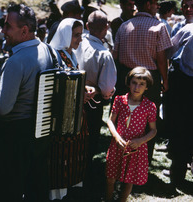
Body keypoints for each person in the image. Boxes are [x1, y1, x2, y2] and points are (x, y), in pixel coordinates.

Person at [0, 4, 61, 202]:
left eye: (7, 26)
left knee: (6, 192)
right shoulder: (50, 51)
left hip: (13, 138)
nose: (3, 31)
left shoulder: (16, 61)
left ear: (24, 30)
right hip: (41, 134)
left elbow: (3, 108)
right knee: (36, 189)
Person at [112, 0, 172, 163]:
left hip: (127, 79)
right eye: (155, 3)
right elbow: (161, 59)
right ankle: (141, 164)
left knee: (124, 119)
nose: (157, 6)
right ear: (147, 4)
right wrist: (165, 79)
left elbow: (115, 56)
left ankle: (121, 161)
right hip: (148, 81)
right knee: (148, 123)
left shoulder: (124, 26)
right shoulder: (159, 27)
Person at [75, 10, 117, 199]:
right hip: (92, 104)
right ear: (106, 27)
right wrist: (100, 91)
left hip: (72, 100)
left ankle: (70, 177)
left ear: (86, 26)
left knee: (72, 138)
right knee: (89, 141)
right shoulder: (104, 54)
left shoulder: (77, 43)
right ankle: (83, 179)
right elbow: (107, 88)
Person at [49, 18, 89, 200]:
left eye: (81, 34)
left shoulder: (71, 54)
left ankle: (68, 189)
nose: (80, 39)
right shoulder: (54, 55)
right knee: (59, 156)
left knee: (72, 153)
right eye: (76, 35)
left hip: (74, 115)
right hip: (60, 118)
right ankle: (56, 193)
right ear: (65, 34)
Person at [106, 67, 157, 202]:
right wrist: (116, 137)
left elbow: (153, 130)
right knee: (111, 177)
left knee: (129, 179)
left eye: (141, 84)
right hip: (118, 145)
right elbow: (110, 121)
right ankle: (108, 198)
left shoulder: (150, 106)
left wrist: (141, 141)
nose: (137, 87)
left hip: (135, 148)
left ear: (147, 87)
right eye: (134, 82)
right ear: (129, 83)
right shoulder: (119, 100)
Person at [165, 23, 193, 188]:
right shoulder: (189, 28)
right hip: (183, 83)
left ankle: (177, 175)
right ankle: (178, 174)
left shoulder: (189, 29)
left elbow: (170, 50)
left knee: (180, 128)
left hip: (183, 82)